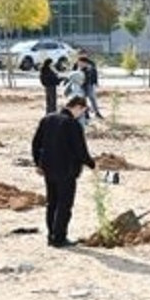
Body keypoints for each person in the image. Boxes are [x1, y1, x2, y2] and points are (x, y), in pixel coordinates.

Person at [31, 96, 96, 248]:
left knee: (51, 203)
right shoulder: (72, 124)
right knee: (64, 204)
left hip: (48, 168)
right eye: (83, 110)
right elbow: (80, 150)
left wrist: (38, 163)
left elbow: (36, 143)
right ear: (78, 107)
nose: (81, 114)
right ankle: (59, 238)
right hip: (66, 170)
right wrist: (92, 165)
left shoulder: (47, 119)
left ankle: (51, 236)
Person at [76, 55, 103, 119]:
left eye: (80, 62)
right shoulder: (79, 68)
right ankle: (86, 114)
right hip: (81, 86)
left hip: (89, 85)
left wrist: (96, 83)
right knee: (83, 100)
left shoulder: (89, 68)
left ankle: (96, 113)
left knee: (92, 99)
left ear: (84, 62)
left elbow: (94, 75)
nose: (79, 64)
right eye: (79, 63)